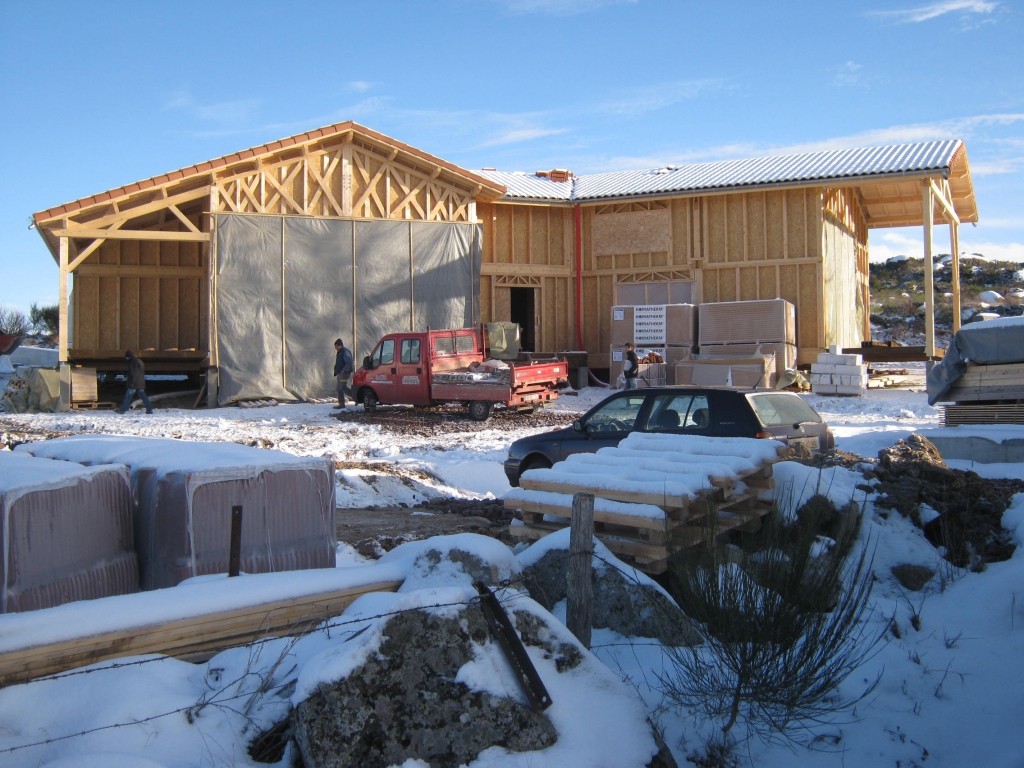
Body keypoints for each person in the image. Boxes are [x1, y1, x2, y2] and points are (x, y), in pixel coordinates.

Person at [333, 338, 354, 408]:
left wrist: (344, 370)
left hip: (344, 373)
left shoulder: (345, 352)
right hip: (340, 373)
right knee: (339, 388)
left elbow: (350, 362)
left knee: (342, 387)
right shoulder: (340, 352)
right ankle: (341, 403)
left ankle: (355, 396)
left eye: (336, 346)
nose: (335, 348)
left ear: (339, 345)